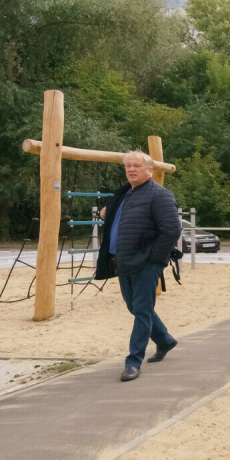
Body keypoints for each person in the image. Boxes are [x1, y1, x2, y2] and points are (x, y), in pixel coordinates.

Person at [94, 150, 181, 382]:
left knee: (141, 310)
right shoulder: (126, 195)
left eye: (137, 166)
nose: (131, 169)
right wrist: (108, 213)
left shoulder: (160, 195)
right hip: (124, 261)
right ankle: (164, 340)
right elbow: (124, 221)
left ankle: (133, 362)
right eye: (128, 166)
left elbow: (172, 230)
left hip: (146, 263)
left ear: (149, 170)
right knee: (135, 307)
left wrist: (154, 258)